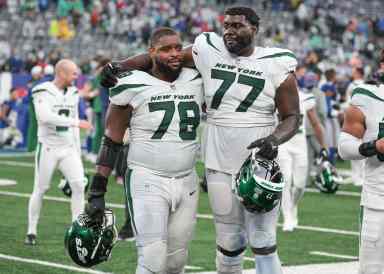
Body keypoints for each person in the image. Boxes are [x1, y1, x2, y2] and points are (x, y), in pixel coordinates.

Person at [98, 6, 301, 274]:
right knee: (229, 241)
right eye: (226, 25)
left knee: (263, 241)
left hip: (258, 162)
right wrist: (120, 66)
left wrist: (274, 140)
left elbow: (292, 116)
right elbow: (160, 57)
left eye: (237, 26)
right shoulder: (207, 47)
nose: (229, 31)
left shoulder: (276, 61)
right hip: (217, 160)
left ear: (255, 29)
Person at [86, 27, 203, 274]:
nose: (174, 54)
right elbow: (112, 138)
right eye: (165, 49)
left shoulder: (196, 77)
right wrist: (97, 188)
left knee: (176, 261)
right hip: (147, 178)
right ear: (151, 52)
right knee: (152, 257)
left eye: (176, 48)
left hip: (187, 180)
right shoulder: (131, 83)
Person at [25, 59, 92, 245]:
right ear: (62, 73)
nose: (76, 77)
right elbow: (44, 117)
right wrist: (75, 123)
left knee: (79, 185)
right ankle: (31, 230)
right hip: (48, 147)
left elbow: (76, 124)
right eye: (73, 73)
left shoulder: (73, 92)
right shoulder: (42, 90)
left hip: (68, 147)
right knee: (40, 188)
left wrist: (78, 154)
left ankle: (77, 229)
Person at [338, 48, 384, 274]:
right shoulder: (366, 94)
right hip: (378, 201)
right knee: (371, 270)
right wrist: (374, 146)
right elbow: (344, 148)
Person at [279, 70, 328, 232]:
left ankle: (292, 207)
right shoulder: (274, 97)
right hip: (283, 144)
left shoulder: (306, 98)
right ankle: (287, 217)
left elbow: (316, 124)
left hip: (300, 145)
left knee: (299, 185)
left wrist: (324, 147)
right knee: (285, 180)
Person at [343, 67, 365, 186]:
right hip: (364, 118)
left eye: (354, 71)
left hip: (352, 118)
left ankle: (356, 176)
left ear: (358, 73)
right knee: (361, 145)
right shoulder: (368, 85)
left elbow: (348, 103)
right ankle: (360, 175)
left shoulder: (352, 85)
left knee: (353, 146)